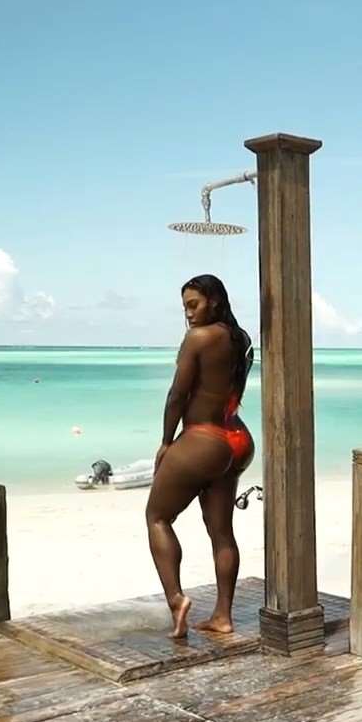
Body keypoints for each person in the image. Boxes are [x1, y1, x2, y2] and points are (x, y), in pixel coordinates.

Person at [147, 273, 256, 639]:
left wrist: (166, 442)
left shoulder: (199, 338)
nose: (189, 314)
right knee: (221, 532)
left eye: (194, 305)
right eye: (185, 308)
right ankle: (222, 616)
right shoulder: (240, 339)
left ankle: (176, 600)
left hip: (204, 438)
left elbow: (177, 395)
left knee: (158, 517)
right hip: (236, 438)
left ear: (214, 300)